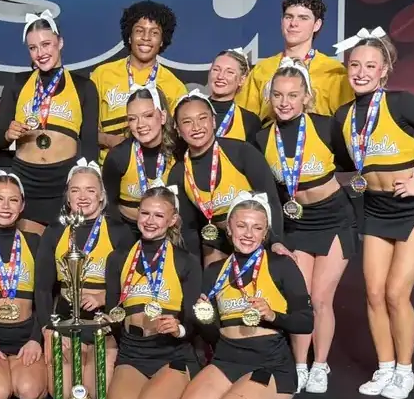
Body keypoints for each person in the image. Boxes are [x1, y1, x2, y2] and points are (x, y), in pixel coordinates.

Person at [331, 28, 414, 399]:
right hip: (376, 210)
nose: (361, 72)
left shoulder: (402, 103)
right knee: (373, 293)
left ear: (384, 71)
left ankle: (404, 371)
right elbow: (346, 164)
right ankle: (385, 368)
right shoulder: (342, 116)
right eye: (355, 65)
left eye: (370, 66)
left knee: (394, 292)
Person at [254, 58, 359, 394]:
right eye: (278, 95)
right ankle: (300, 365)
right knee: (300, 298)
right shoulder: (262, 138)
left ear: (306, 97)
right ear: (270, 97)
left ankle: (320, 365)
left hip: (335, 219)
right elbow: (267, 193)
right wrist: (275, 235)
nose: (284, 102)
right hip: (297, 222)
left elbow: (353, 164)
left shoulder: (326, 126)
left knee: (322, 297)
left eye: (292, 95)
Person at [179, 192, 313, 399]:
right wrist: (205, 318)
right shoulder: (214, 270)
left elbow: (306, 322)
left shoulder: (281, 265)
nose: (248, 234)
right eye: (241, 225)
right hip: (226, 359)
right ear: (229, 229)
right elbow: (211, 334)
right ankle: (240, 397)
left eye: (257, 228)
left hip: (269, 363)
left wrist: (273, 316)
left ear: (265, 233)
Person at [34, 160, 135, 399]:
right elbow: (42, 288)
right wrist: (48, 329)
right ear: (67, 197)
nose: (82, 197)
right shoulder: (54, 232)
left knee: (97, 394)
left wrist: (103, 296)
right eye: (75, 190)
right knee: (64, 395)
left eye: (90, 190)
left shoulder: (119, 231)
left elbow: (133, 285)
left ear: (101, 196)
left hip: (105, 326)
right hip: (66, 325)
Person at [0, 11, 100, 235]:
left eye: (46, 44)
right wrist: (8, 135)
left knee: (65, 247)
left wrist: (84, 185)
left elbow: (90, 144)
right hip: (27, 179)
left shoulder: (84, 86)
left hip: (64, 179)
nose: (40, 53)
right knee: (29, 247)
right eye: (33, 48)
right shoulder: (17, 83)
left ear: (60, 42)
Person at [104, 186, 201, 399]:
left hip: (171, 352)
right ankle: (156, 393)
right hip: (133, 351)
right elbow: (113, 311)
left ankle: (179, 395)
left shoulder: (186, 260)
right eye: (145, 213)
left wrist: (179, 328)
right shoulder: (118, 258)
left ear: (172, 220)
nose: (150, 221)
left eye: (159, 215)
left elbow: (193, 318)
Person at [166, 89, 285, 267]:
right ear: (177, 128)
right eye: (187, 122)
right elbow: (188, 230)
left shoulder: (242, 152)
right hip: (216, 241)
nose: (196, 127)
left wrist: (275, 241)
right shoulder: (178, 173)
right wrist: (192, 270)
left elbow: (272, 200)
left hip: (256, 237)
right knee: (213, 279)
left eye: (202, 118)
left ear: (213, 121)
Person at [0, 171, 47, 399]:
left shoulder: (35, 242)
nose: (5, 206)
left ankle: (16, 369)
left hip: (26, 336)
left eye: (13, 200)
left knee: (29, 393)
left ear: (22, 205)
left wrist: (36, 339)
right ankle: (2, 372)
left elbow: (45, 294)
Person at [91, 1, 188, 164]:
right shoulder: (102, 75)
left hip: (158, 169)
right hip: (110, 168)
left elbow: (179, 139)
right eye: (139, 31)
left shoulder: (175, 86)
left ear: (162, 40)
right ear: (129, 36)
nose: (146, 38)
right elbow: (84, 131)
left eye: (154, 33)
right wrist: (110, 140)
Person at [102, 86, 177, 239]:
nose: (140, 124)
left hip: (170, 232)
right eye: (132, 119)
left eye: (148, 115)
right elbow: (109, 206)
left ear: (163, 116)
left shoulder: (179, 152)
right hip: (127, 231)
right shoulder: (118, 156)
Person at [207, 49, 261, 142]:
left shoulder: (249, 121)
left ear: (242, 80)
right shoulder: (190, 111)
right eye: (216, 70)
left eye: (229, 72)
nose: (220, 76)